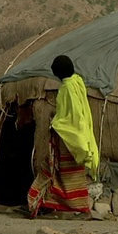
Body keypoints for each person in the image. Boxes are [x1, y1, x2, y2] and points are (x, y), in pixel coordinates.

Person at [27, 55, 99, 219]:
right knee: (69, 175)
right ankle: (62, 206)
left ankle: (38, 201)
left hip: (68, 139)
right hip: (76, 138)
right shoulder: (77, 82)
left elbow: (72, 114)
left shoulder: (67, 88)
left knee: (55, 171)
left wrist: (56, 124)